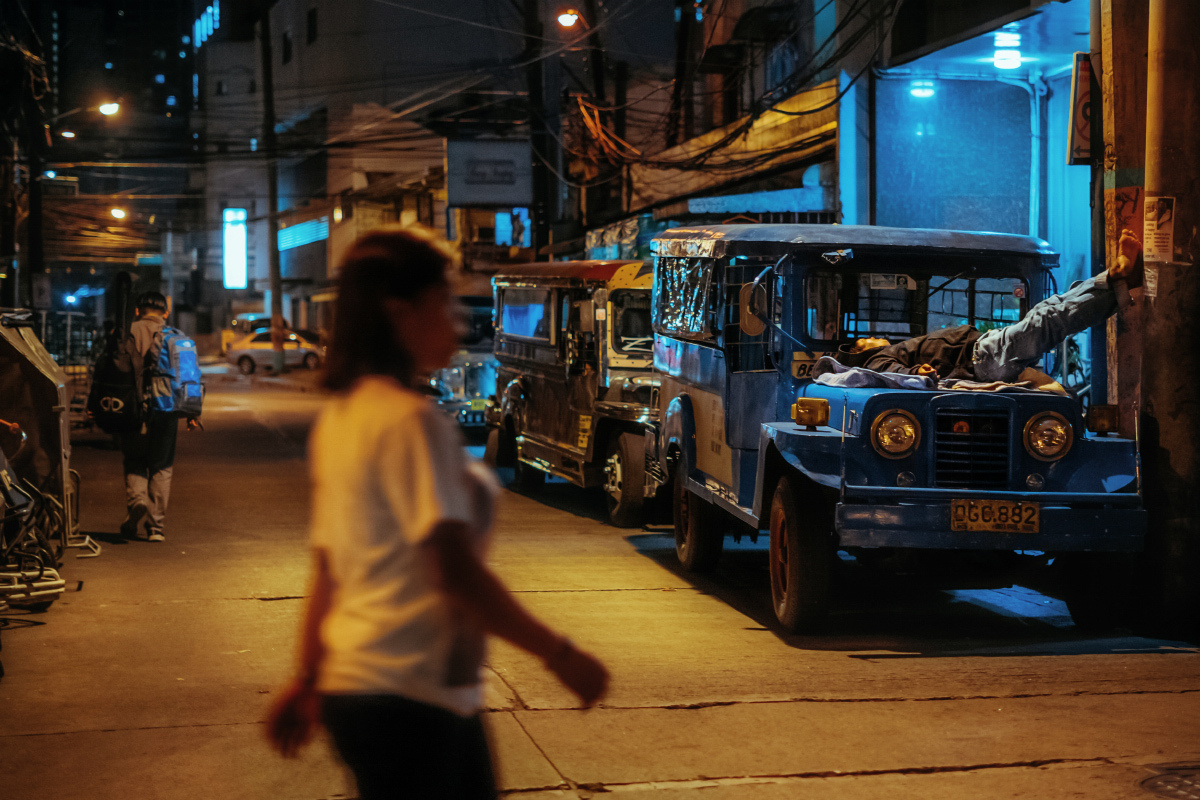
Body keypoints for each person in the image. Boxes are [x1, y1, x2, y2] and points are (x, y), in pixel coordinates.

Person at [266, 226, 609, 800]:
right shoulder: (410, 422)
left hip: (359, 692)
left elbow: (330, 569)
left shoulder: (343, 417)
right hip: (413, 698)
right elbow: (453, 572)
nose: (457, 319)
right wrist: (560, 654)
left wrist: (308, 678)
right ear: (400, 313)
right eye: (444, 301)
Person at [837, 229, 1143, 383]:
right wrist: (921, 370)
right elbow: (899, 375)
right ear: (863, 351)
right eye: (864, 341)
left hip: (982, 353)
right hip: (980, 357)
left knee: (1050, 313)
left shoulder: (889, 353)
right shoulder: (877, 361)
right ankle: (1117, 279)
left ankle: (1118, 282)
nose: (871, 337)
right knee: (1048, 319)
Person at [119, 291, 200, 542]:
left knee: (134, 460)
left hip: (133, 410)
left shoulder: (126, 333)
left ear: (137, 310)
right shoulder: (176, 337)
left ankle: (138, 502)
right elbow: (189, 377)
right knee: (162, 466)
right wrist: (192, 413)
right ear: (165, 313)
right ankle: (156, 527)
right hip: (166, 409)